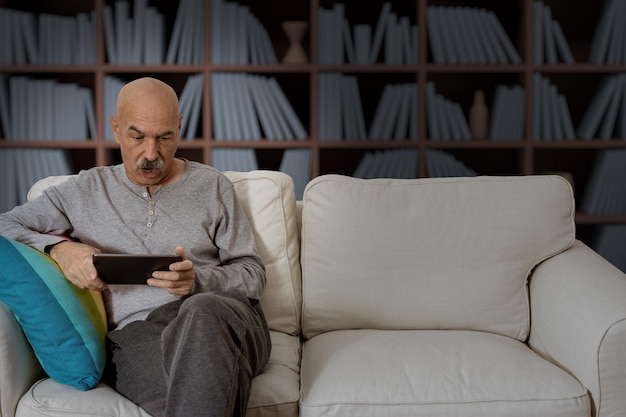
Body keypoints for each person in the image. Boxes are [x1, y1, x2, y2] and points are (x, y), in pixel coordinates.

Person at [0, 77, 271, 417]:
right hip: (139, 333)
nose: (151, 154)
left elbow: (253, 275)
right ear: (116, 129)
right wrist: (58, 249)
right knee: (194, 396)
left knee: (202, 313)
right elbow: (4, 224)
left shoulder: (212, 186)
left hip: (222, 316)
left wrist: (198, 282)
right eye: (137, 136)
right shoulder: (85, 189)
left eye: (164, 137)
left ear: (180, 128)